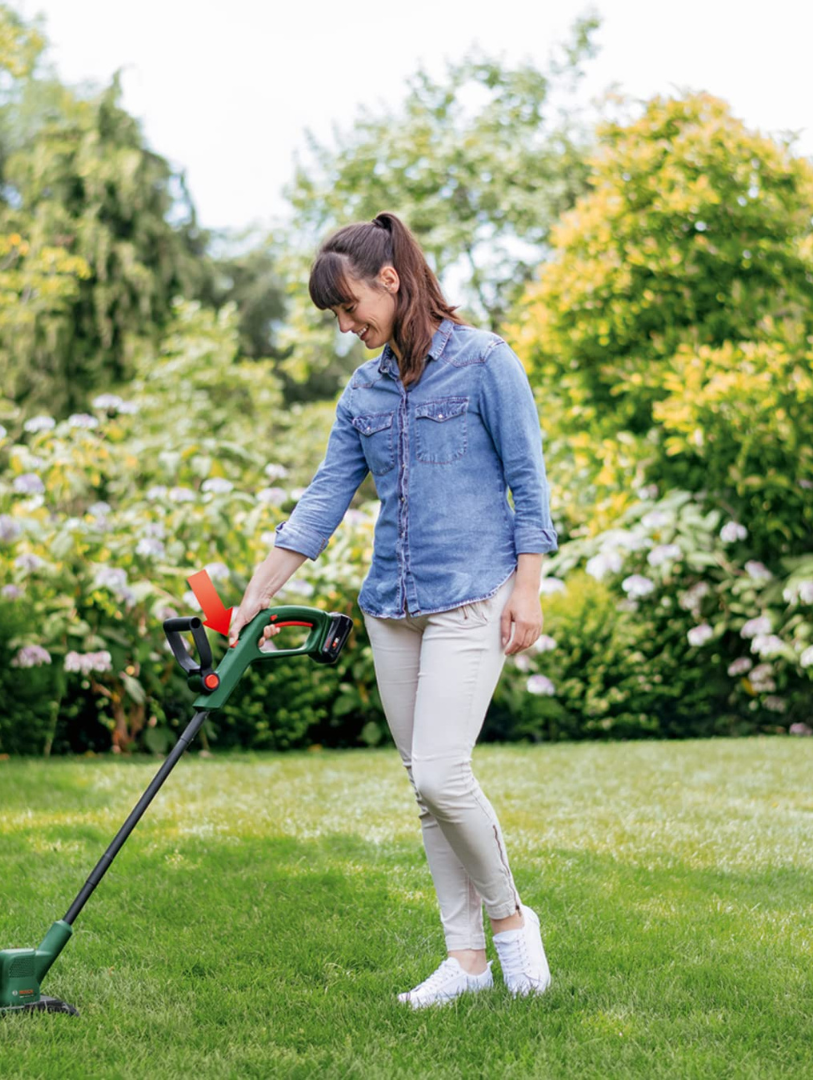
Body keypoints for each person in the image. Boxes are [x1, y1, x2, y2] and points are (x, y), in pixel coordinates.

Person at [228, 211, 558, 1009]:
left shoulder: (485, 362)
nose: (347, 328)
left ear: (391, 279)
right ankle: (464, 961)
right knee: (423, 787)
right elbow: (323, 499)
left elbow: (529, 479)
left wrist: (528, 586)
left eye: (350, 309)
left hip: (470, 596)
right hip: (392, 608)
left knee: (445, 774)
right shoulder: (365, 391)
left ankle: (512, 924)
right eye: (336, 318)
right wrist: (257, 592)